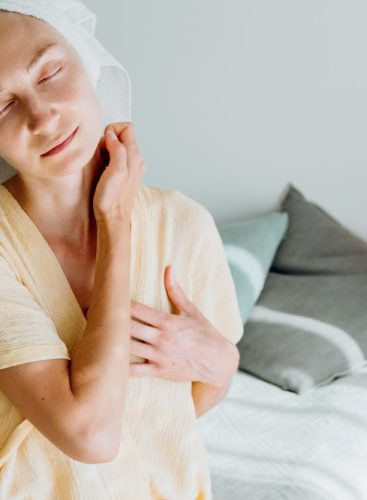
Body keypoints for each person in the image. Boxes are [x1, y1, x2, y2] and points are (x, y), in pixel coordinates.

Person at [0, 7, 243, 500]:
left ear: (87, 61)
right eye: (2, 106)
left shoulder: (185, 223)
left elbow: (182, 401)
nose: (43, 117)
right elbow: (92, 434)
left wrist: (225, 363)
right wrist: (116, 222)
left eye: (50, 72)